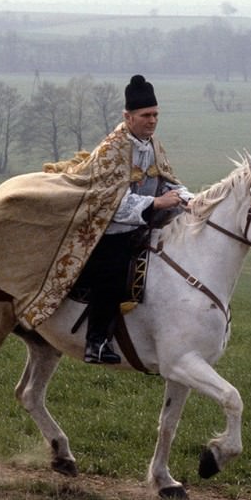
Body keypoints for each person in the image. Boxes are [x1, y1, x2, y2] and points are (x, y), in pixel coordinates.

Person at [77, 75, 192, 364]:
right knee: (113, 270)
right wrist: (155, 202)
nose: (152, 121)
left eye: (155, 115)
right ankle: (97, 342)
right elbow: (107, 201)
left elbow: (167, 182)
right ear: (127, 116)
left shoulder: (152, 144)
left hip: (142, 225)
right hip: (108, 229)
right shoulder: (111, 150)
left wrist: (192, 200)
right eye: (146, 115)